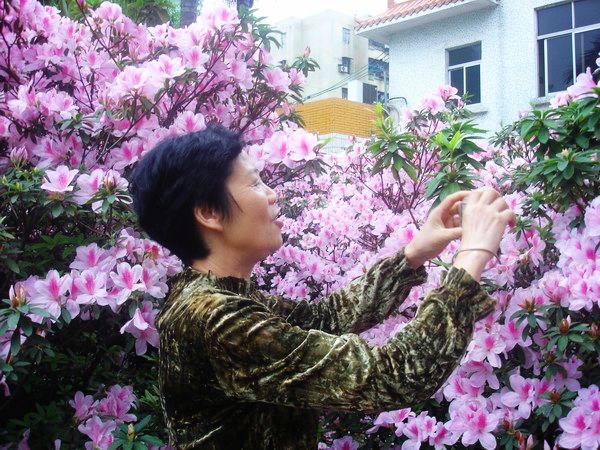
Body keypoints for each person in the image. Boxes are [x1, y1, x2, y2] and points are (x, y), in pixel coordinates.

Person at [129, 125, 515, 449]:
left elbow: (323, 319)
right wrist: (473, 255)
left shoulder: (214, 296)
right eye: (255, 183)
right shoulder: (215, 319)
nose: (272, 194)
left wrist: (413, 255)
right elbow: (394, 375)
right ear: (210, 213)